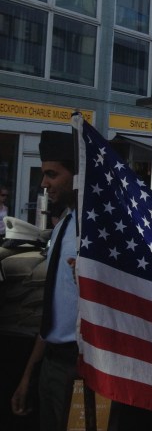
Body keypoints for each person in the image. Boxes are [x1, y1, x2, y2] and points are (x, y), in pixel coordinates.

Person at [11, 131, 78, 430]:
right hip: (51, 364)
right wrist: (28, 375)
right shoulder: (64, 223)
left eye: (52, 174)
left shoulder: (99, 231)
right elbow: (54, 309)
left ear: (78, 175)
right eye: (43, 174)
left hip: (82, 370)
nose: (44, 184)